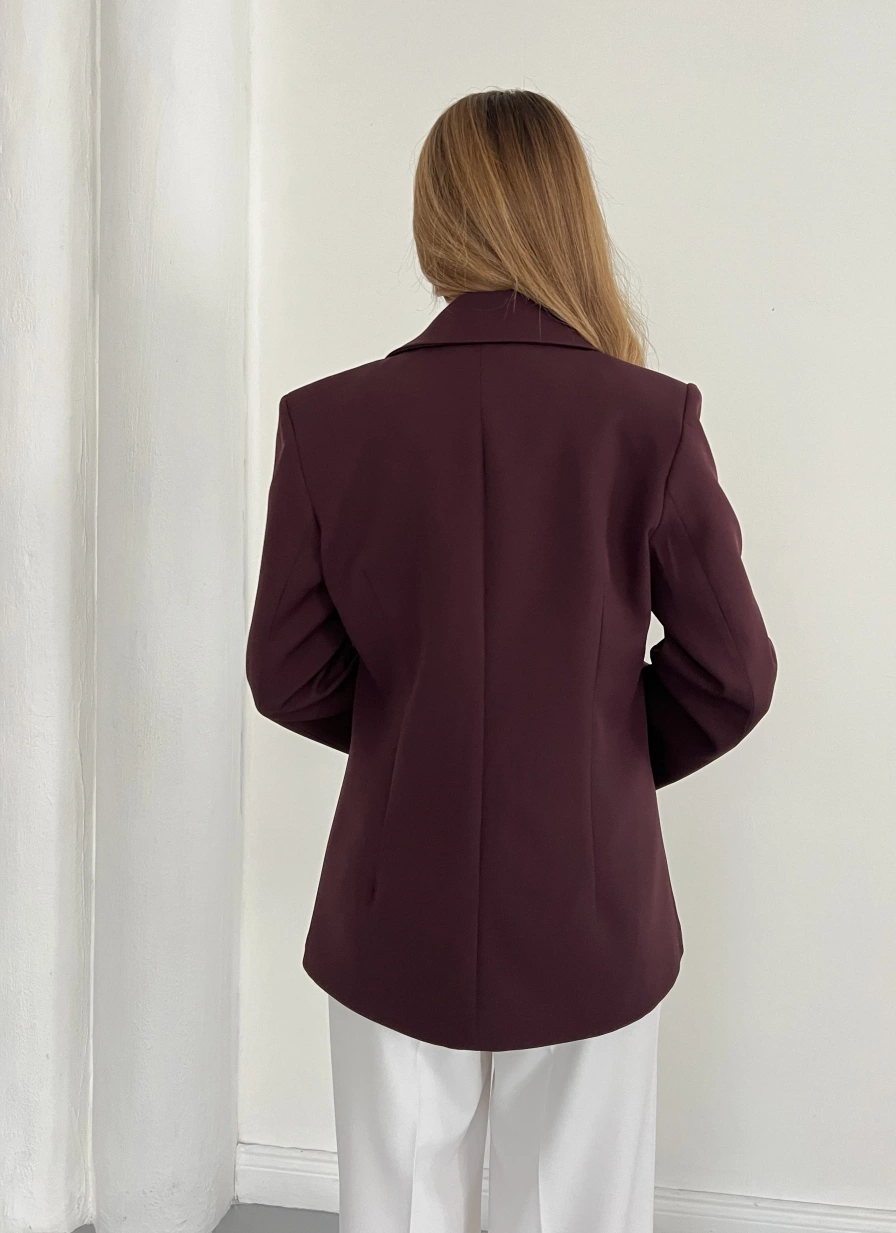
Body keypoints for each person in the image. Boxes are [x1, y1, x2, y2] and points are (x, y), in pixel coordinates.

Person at [246, 88, 778, 1233]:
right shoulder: (649, 420)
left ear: (433, 217)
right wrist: (596, 755)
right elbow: (732, 673)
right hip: (589, 899)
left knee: (395, 1211)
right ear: (567, 213)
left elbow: (285, 671)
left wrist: (416, 736)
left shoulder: (328, 420)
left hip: (393, 894)